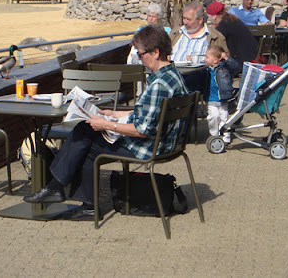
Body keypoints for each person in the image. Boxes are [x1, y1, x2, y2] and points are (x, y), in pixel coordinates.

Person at [22, 25, 190, 221]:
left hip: (149, 146)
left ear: (155, 52)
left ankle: (69, 195)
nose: (138, 58)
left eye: (141, 54)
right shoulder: (172, 76)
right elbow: (149, 113)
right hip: (167, 142)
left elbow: (142, 130)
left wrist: (107, 125)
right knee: (85, 131)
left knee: (85, 144)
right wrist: (114, 114)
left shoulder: (158, 85)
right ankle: (59, 189)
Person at [206, 1, 258, 71]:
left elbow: (215, 46)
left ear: (214, 16)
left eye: (209, 17)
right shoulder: (231, 19)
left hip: (242, 62)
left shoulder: (223, 26)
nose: (209, 19)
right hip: (252, 57)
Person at [204, 46, 239, 144]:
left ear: (215, 60)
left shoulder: (224, 68)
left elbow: (236, 68)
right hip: (211, 99)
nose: (204, 59)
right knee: (214, 117)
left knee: (224, 118)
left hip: (223, 99)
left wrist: (227, 58)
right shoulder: (206, 70)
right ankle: (214, 135)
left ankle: (226, 137)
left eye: (207, 57)